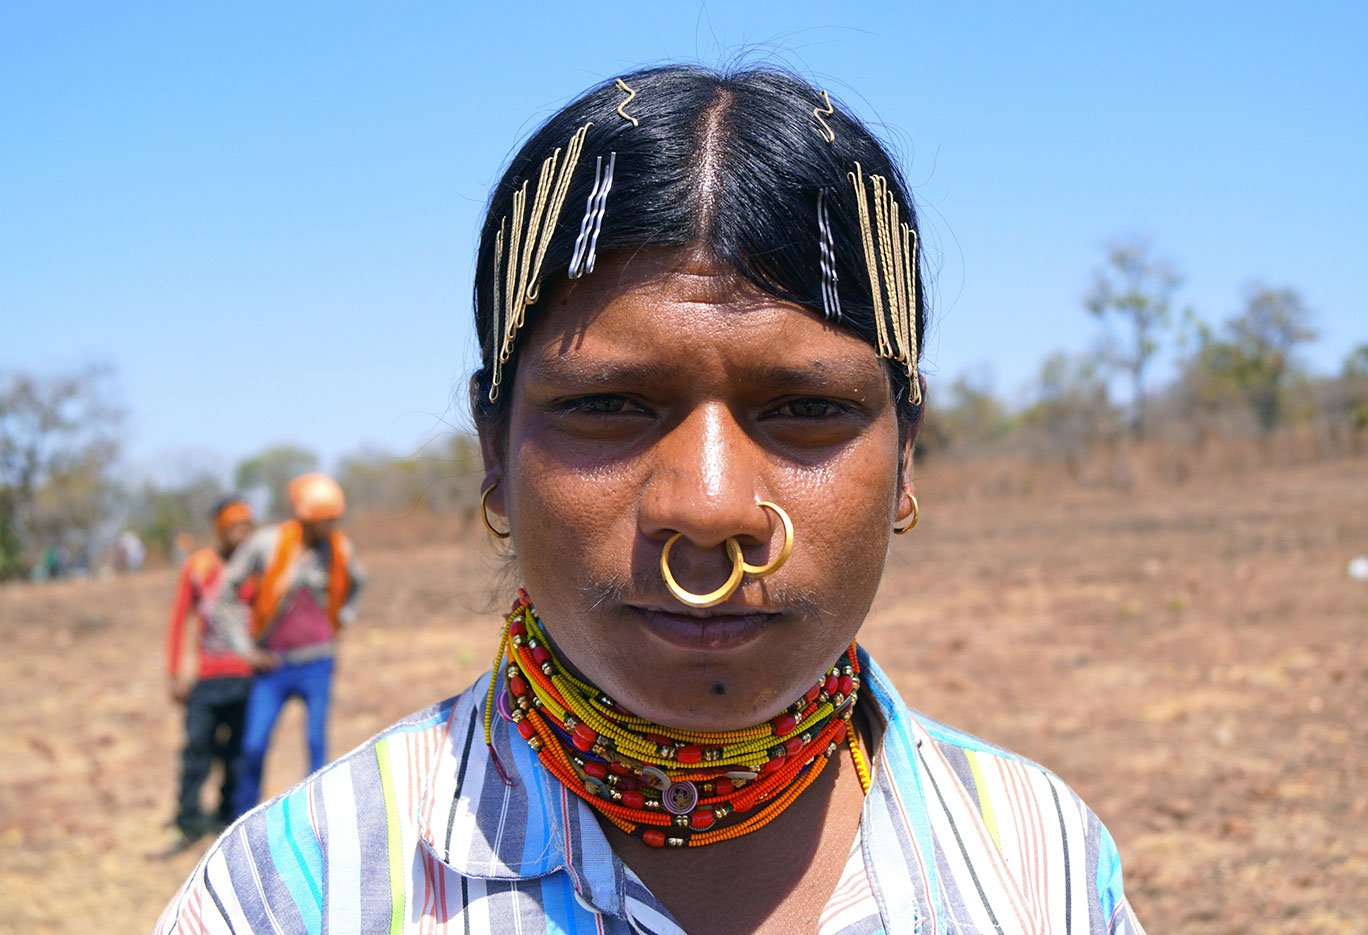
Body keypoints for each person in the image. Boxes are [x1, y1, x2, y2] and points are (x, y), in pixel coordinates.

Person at [158, 66, 1143, 933]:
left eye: (806, 406)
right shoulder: (296, 893)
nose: (709, 507)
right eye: (606, 405)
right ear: (493, 451)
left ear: (905, 459)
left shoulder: (1039, 862)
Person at [214, 471, 365, 820]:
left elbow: (358, 582)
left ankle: (316, 820)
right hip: (273, 665)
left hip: (318, 662)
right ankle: (242, 819)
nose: (328, 527)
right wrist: (244, 648)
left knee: (315, 744)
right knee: (253, 745)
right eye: (321, 522)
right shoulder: (267, 544)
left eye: (333, 520)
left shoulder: (340, 548)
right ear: (302, 518)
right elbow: (226, 591)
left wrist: (343, 617)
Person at [158, 496, 255, 856]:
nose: (241, 533)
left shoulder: (257, 567)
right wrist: (174, 672)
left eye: (247, 526)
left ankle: (226, 819)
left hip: (246, 677)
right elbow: (179, 619)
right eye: (234, 526)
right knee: (196, 749)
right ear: (220, 529)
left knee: (238, 753)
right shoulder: (200, 566)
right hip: (207, 678)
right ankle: (187, 820)